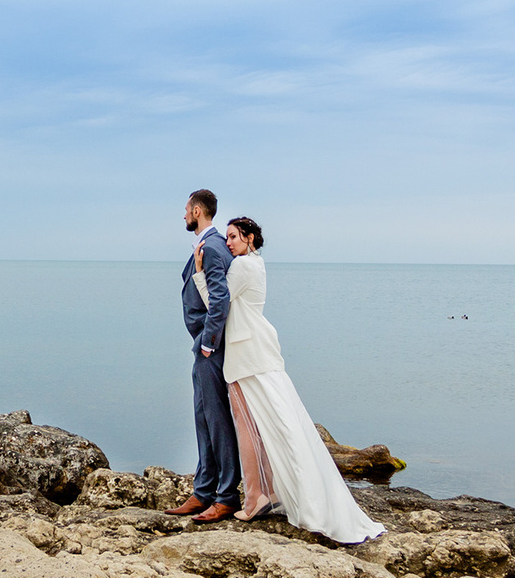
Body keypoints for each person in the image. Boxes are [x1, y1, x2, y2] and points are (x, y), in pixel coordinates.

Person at [218, 216, 386, 543]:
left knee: (249, 427)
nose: (229, 243)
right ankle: (275, 492)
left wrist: (199, 274)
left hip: (245, 354)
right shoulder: (257, 264)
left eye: (234, 237)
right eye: (227, 238)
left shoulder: (241, 267)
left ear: (250, 237)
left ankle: (256, 498)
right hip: (258, 350)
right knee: (277, 424)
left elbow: (217, 303)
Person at [165, 189, 242, 522]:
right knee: (203, 418)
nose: (183, 215)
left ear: (198, 211)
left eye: (186, 210)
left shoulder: (211, 247)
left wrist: (208, 343)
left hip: (211, 348)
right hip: (204, 346)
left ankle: (226, 496)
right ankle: (203, 491)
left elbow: (220, 300)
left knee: (217, 419)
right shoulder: (210, 246)